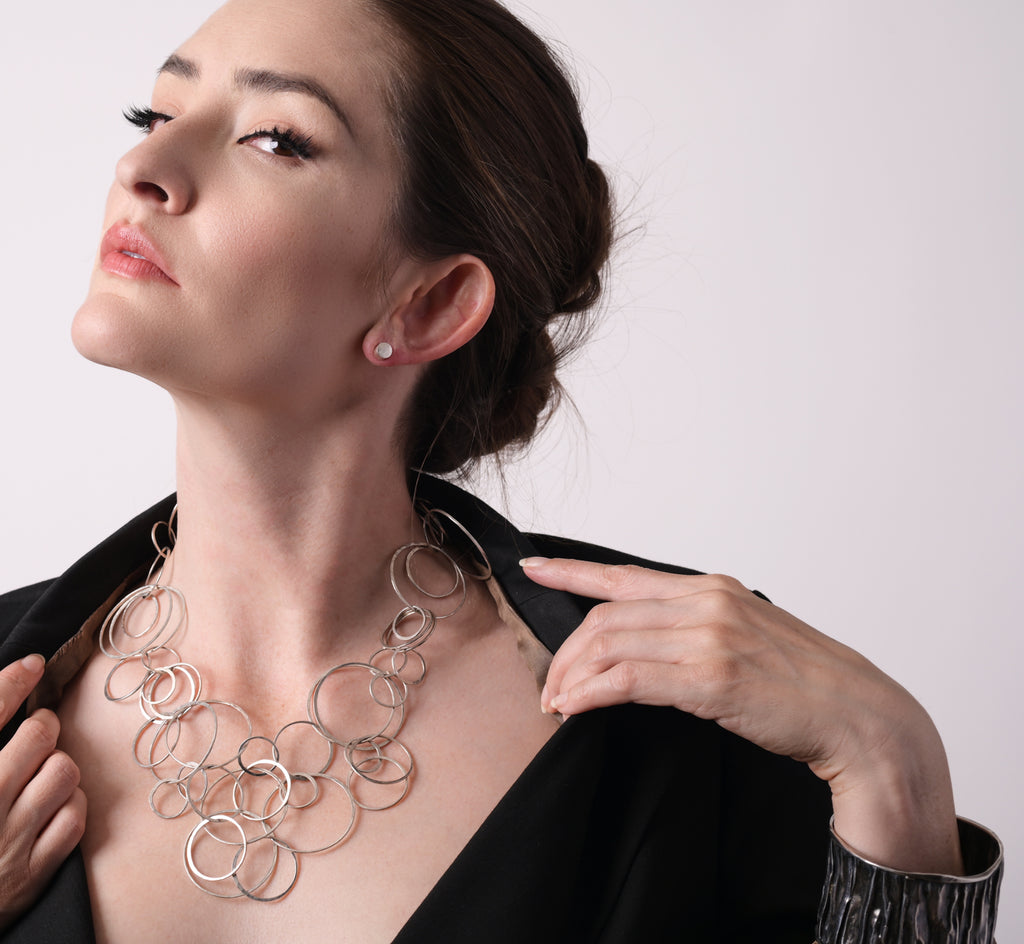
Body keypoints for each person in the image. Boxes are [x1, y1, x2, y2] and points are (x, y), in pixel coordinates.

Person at [0, 0, 1003, 940]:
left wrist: (892, 760)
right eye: (157, 113)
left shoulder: (684, 711)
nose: (143, 164)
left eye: (275, 138)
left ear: (430, 305)